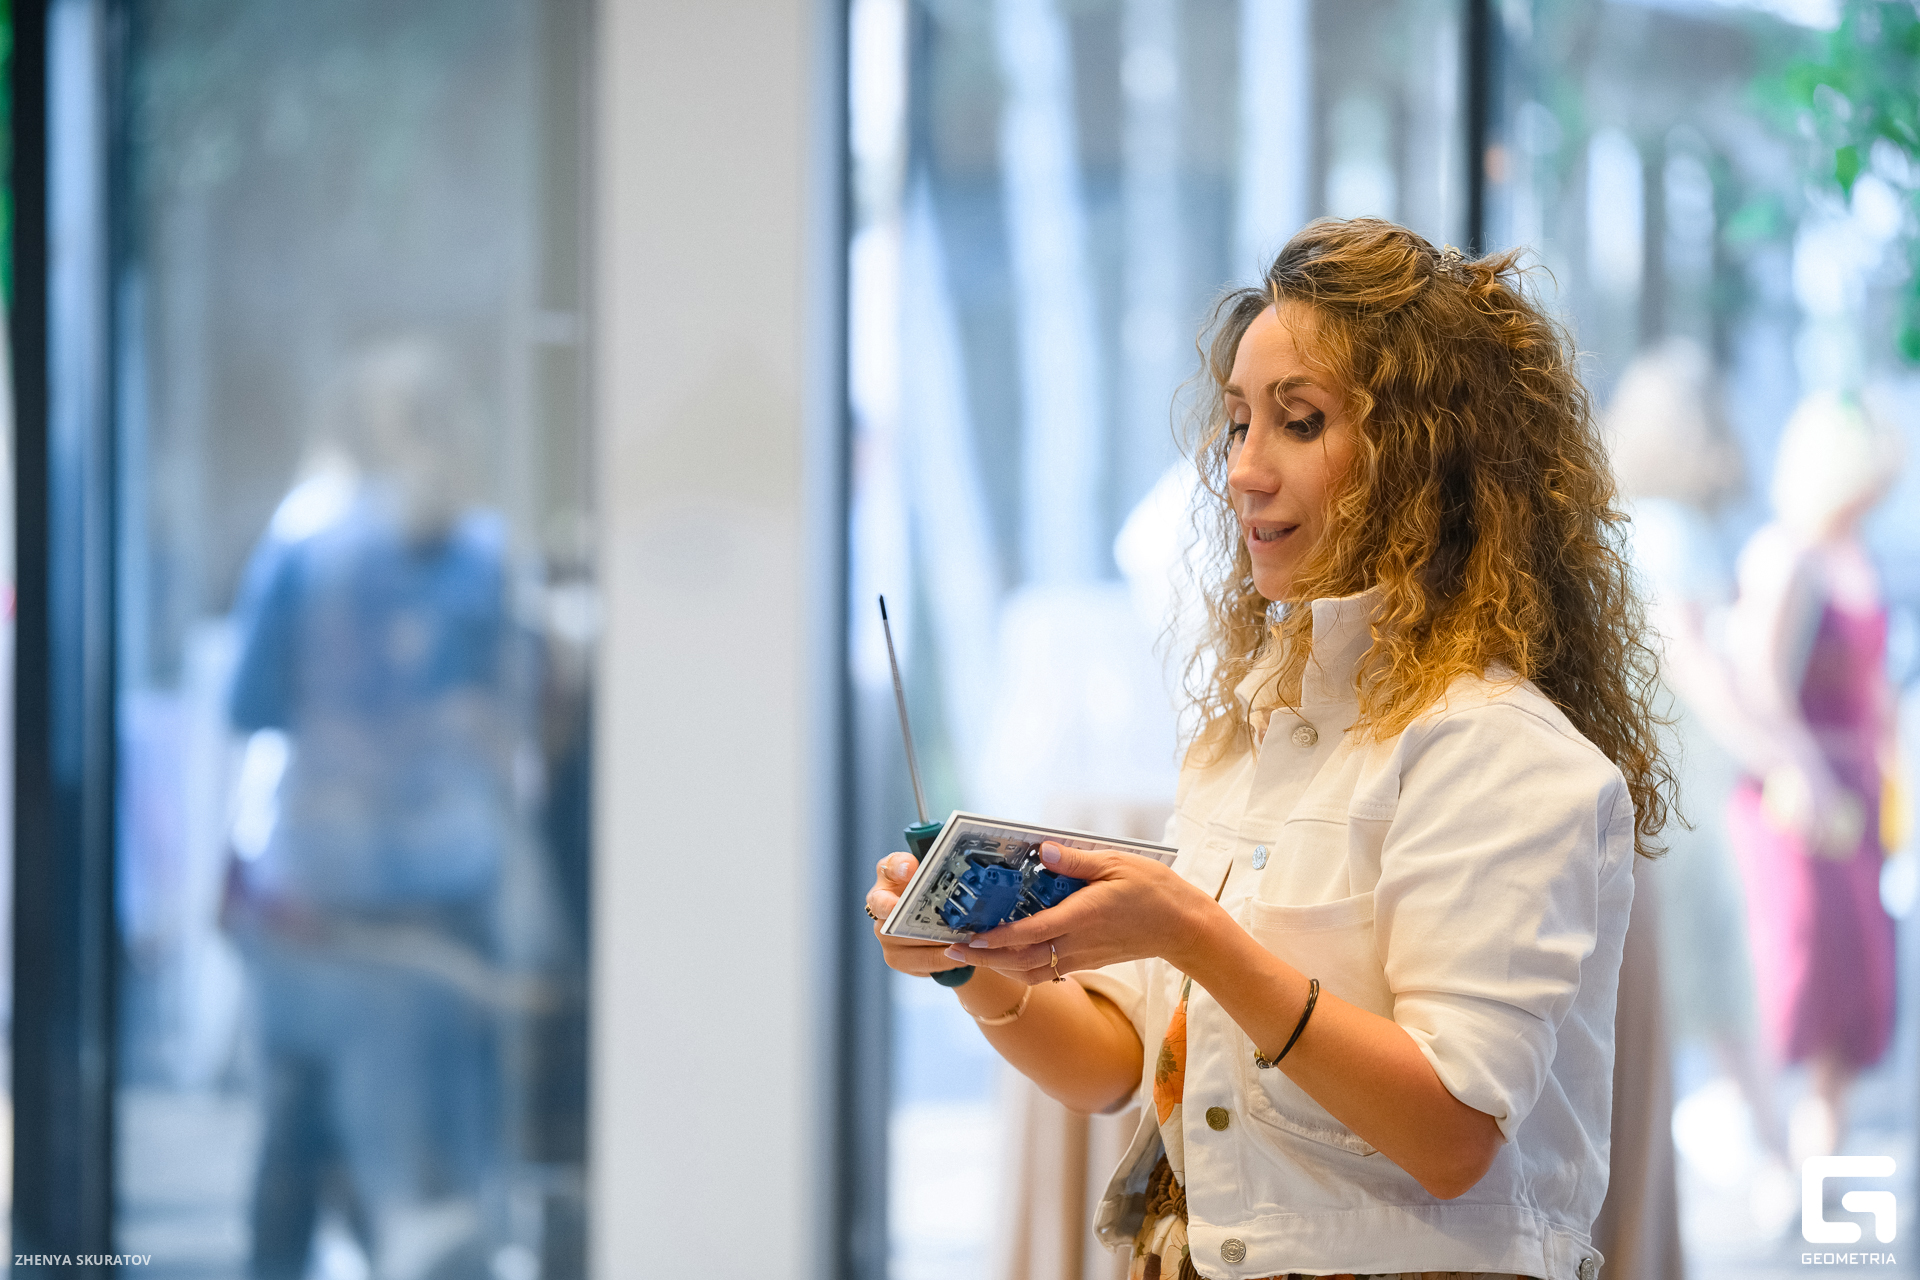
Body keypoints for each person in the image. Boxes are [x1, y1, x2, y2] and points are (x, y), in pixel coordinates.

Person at [866, 219, 1671, 1280]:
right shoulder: (1246, 742)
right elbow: (1118, 1065)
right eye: (1238, 422)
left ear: (1427, 459)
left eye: (1299, 422)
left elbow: (1450, 1134)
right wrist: (970, 958)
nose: (1243, 470)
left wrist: (1196, 935)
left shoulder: (1498, 751)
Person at [1722, 389, 1902, 1163]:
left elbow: (1877, 689)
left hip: (1856, 795)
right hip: (1805, 802)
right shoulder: (1787, 556)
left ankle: (1819, 1158)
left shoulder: (1854, 557)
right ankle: (1775, 1151)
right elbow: (1758, 683)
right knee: (1802, 984)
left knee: (1853, 992)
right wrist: (1810, 775)